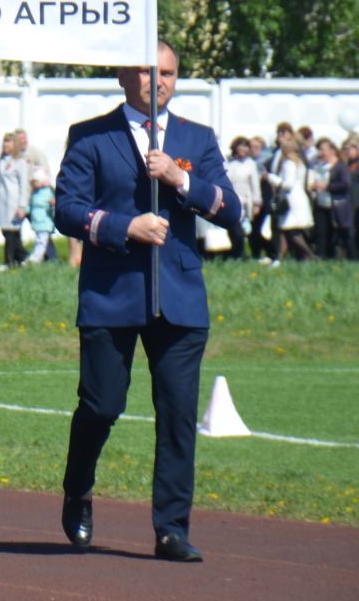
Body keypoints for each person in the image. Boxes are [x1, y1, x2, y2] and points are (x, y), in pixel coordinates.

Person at [55, 38, 241, 563]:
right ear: (121, 76)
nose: (156, 82)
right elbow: (66, 210)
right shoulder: (91, 136)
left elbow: (232, 212)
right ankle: (79, 488)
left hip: (180, 300)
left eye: (167, 73)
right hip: (112, 295)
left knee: (179, 415)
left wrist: (182, 179)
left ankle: (171, 529)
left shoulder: (195, 138)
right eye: (145, 72)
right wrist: (122, 226)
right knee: (101, 404)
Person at [0, 133, 31, 271]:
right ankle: (23, 258)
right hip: (1, 201)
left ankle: (9, 261)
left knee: (11, 232)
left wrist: (22, 205)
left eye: (9, 142)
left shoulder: (20, 162)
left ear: (15, 145)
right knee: (7, 231)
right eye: (4, 142)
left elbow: (24, 185)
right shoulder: (1, 161)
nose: (6, 145)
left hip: (13, 202)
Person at [270, 135, 315, 261]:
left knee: (291, 231)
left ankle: (310, 255)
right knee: (285, 230)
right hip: (300, 197)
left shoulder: (288, 164)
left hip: (291, 199)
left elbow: (287, 184)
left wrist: (273, 179)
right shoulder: (300, 163)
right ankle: (279, 259)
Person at [24, 168, 58, 266]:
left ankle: (35, 259)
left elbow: (53, 203)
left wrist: (53, 203)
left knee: (41, 241)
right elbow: (32, 205)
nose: (33, 184)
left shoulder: (48, 192)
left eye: (35, 181)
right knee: (44, 242)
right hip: (37, 222)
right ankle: (52, 259)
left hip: (45, 222)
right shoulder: (35, 193)